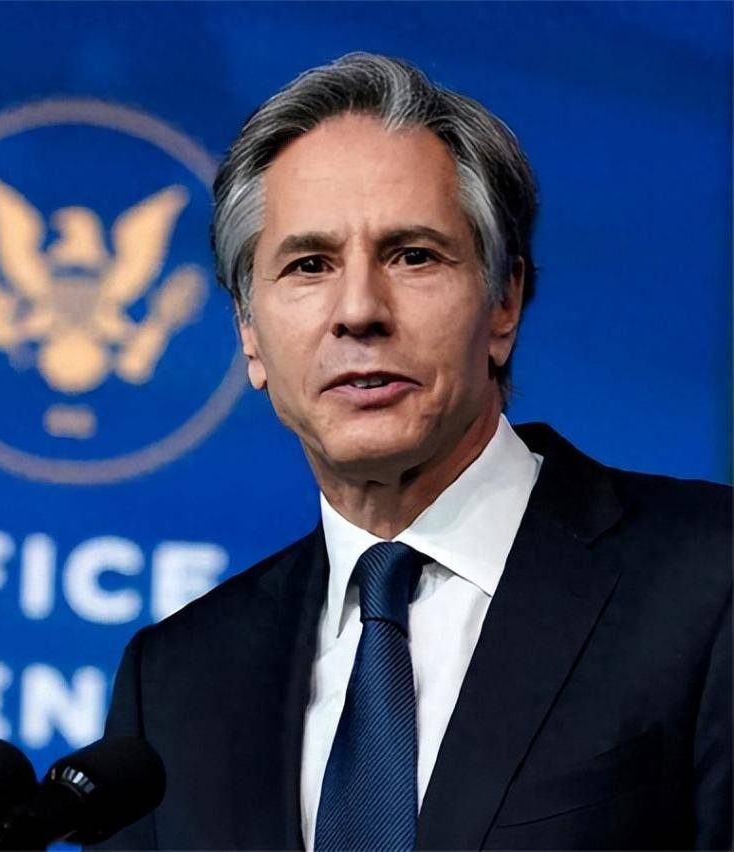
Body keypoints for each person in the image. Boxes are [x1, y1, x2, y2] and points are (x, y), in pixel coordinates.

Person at [96, 53, 731, 851]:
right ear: (249, 335)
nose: (358, 310)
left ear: (503, 302)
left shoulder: (709, 579)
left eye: (412, 256)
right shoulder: (176, 680)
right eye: (308, 265)